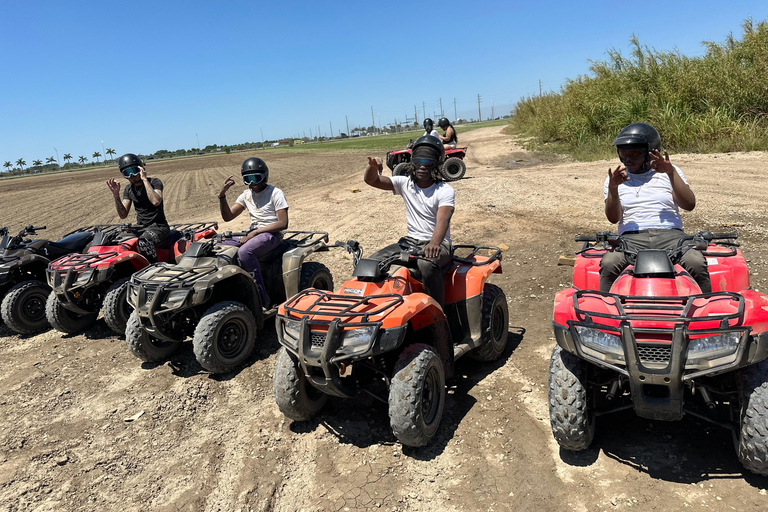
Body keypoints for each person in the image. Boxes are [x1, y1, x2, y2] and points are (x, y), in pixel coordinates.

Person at [600, 122, 710, 293]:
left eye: (635, 153)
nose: (628, 159)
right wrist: (613, 189)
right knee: (609, 263)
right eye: (623, 153)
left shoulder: (668, 173)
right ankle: (606, 313)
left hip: (672, 236)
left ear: (650, 152)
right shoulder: (615, 178)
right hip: (631, 238)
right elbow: (613, 218)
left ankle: (705, 309)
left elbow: (689, 204)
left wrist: (671, 173)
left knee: (696, 262)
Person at [364, 135, 455, 308]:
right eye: (419, 161)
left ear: (436, 164)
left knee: (426, 264)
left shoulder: (444, 190)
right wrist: (372, 167)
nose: (422, 167)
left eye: (427, 163)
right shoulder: (404, 183)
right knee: (370, 264)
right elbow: (372, 180)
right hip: (411, 242)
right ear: (412, 162)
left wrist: (434, 243)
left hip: (439, 244)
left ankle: (437, 314)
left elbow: (443, 219)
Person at [218, 157, 288, 303]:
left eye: (255, 178)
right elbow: (228, 217)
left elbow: (283, 223)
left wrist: (256, 232)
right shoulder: (246, 195)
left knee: (245, 252)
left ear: (264, 176)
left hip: (271, 234)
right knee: (220, 247)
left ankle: (260, 298)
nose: (252, 183)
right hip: (253, 234)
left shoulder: (275, 193)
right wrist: (222, 196)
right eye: (247, 179)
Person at [106, 153, 169, 263]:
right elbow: (123, 214)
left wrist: (144, 179)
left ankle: (154, 269)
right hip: (141, 227)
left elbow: (156, 201)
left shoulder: (154, 182)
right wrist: (116, 196)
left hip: (159, 227)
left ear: (141, 169)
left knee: (144, 242)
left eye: (134, 171)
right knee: (116, 241)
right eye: (126, 173)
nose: (131, 175)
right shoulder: (128, 189)